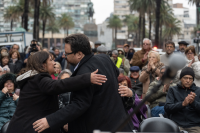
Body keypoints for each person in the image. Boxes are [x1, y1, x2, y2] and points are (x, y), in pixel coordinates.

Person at [33, 34, 135, 133]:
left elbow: (79, 104)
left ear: (79, 54)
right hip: (122, 125)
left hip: (100, 127)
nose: (64, 56)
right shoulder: (105, 59)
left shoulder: (84, 72)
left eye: (67, 54)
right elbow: (116, 73)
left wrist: (50, 120)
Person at [6, 51, 107, 133]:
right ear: (43, 65)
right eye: (51, 60)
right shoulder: (39, 79)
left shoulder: (33, 78)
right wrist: (87, 78)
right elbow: (59, 85)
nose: (54, 63)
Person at [164, 67, 200, 133]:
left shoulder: (198, 91)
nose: (188, 80)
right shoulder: (173, 90)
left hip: (194, 126)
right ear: (181, 79)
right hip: (177, 125)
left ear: (193, 80)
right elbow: (167, 108)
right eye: (185, 78)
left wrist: (193, 103)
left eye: (190, 78)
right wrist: (182, 104)